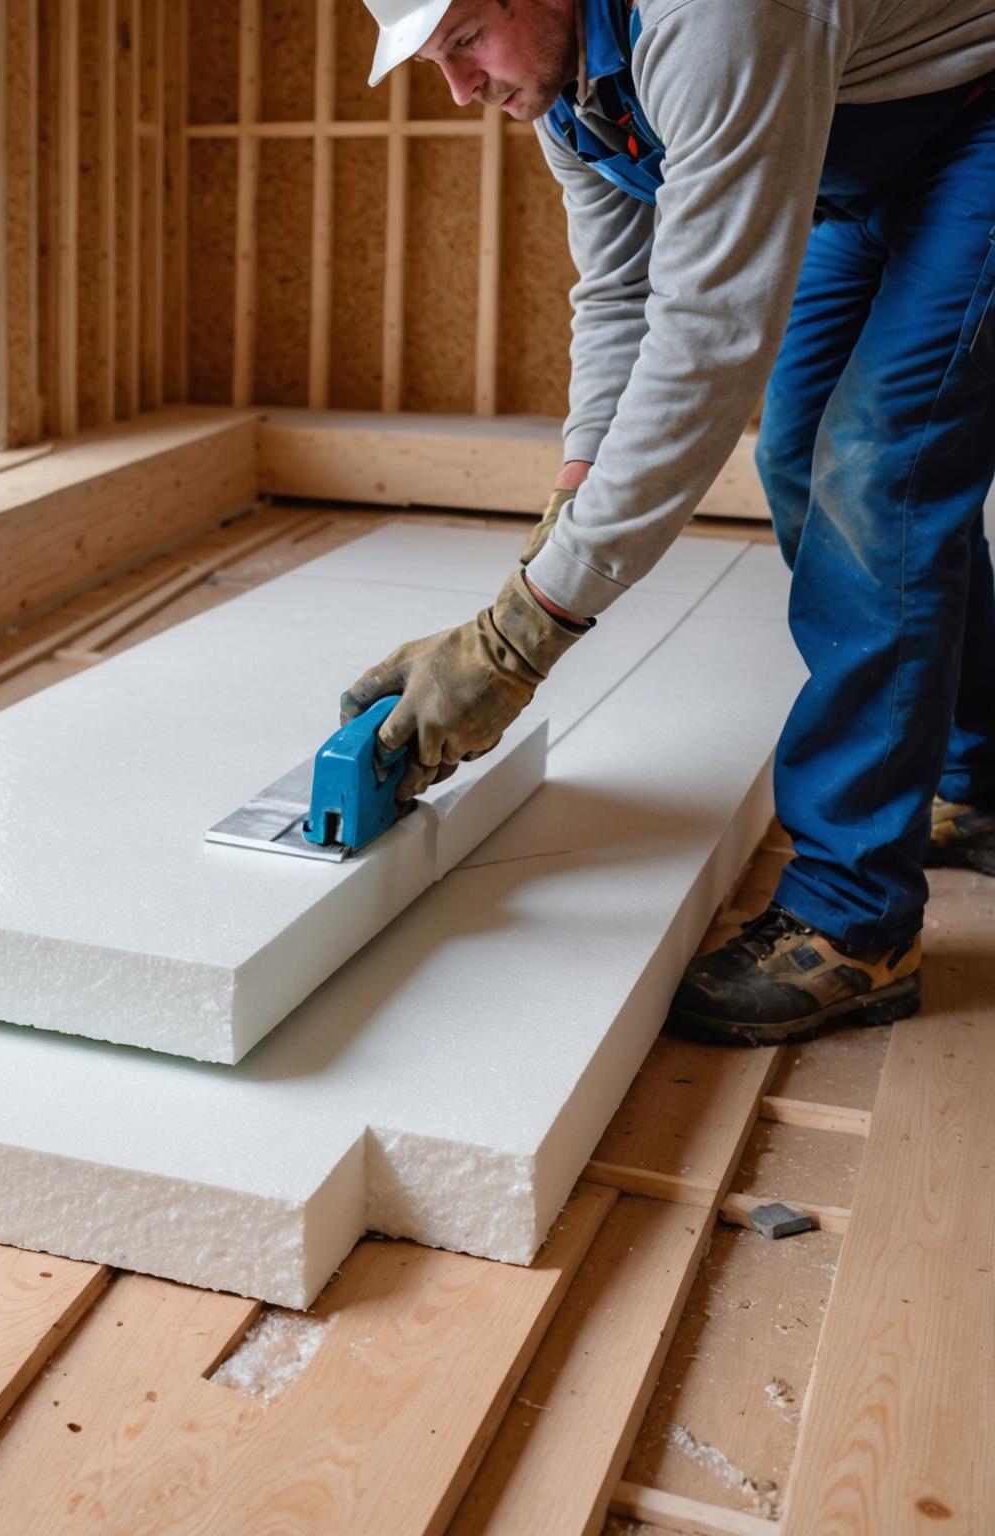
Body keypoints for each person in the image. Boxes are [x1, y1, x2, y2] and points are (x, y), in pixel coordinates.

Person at [346, 0, 995, 1045]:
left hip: (974, 129)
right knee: (798, 458)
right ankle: (978, 773)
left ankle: (856, 923)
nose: (462, 89)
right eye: (436, 61)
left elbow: (706, 341)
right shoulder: (569, 95)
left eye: (466, 41)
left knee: (879, 471)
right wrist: (569, 505)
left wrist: (522, 635)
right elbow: (620, 298)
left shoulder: (714, 16)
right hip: (858, 163)